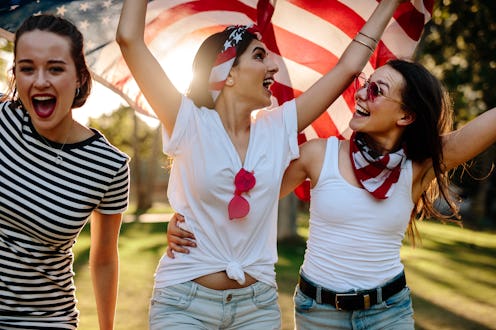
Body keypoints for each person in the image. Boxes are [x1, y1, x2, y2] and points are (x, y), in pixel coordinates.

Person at [116, 0, 406, 329]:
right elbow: (129, 39)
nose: (273, 68)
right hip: (184, 303)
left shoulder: (278, 128)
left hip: (256, 308)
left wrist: (390, 4)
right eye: (259, 56)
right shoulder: (187, 122)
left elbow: (348, 68)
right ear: (226, 74)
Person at [168, 59, 496, 329]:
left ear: (406, 116)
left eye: (376, 90)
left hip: (388, 313)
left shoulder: (417, 167)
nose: (361, 94)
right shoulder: (316, 155)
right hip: (319, 313)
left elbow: (481, 128)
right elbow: (246, 197)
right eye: (365, 84)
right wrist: (189, 216)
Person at [0, 15, 130, 330]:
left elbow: (104, 259)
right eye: (27, 68)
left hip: (46, 320)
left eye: (55, 68)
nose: (40, 81)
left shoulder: (109, 165)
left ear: (80, 78)